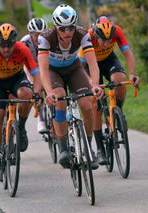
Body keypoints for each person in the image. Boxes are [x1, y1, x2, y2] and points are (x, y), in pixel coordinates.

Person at [38, 4, 104, 170]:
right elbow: (43, 70)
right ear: (55, 27)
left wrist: (95, 84)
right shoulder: (45, 38)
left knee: (87, 105)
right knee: (60, 99)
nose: (67, 33)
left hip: (74, 69)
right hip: (53, 72)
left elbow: (92, 64)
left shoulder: (82, 34)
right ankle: (63, 148)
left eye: (70, 28)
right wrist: (48, 91)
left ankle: (88, 148)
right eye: (62, 29)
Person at [0, 23, 42, 181]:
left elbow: (36, 74)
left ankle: (21, 127)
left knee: (25, 94)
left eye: (9, 45)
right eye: (2, 45)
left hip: (17, 79)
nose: (6, 49)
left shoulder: (22, 49)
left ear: (15, 42)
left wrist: (36, 93)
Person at [78, 16, 140, 165]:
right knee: (96, 105)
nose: (105, 44)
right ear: (96, 35)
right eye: (102, 40)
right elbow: (80, 67)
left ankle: (118, 111)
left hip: (108, 60)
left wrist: (132, 74)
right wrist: (93, 83)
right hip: (89, 65)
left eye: (109, 40)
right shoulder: (88, 36)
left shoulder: (117, 31)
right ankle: (100, 149)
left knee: (120, 79)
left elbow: (127, 53)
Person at [20, 18, 48, 134]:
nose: (38, 37)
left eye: (41, 34)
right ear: (30, 33)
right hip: (30, 68)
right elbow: (24, 65)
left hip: (45, 65)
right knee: (37, 89)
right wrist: (31, 80)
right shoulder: (25, 42)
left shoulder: (48, 39)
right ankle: (41, 118)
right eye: (35, 35)